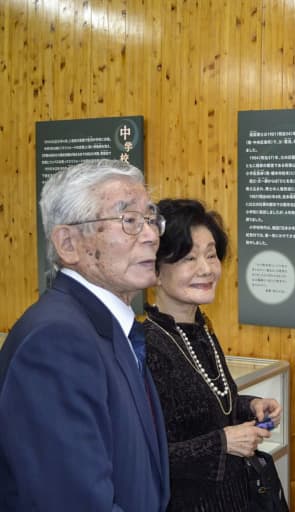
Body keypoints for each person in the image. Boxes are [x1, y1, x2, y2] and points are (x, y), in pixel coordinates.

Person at [0, 159, 170, 510]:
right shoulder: (57, 341)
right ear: (68, 243)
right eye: (129, 221)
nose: (152, 235)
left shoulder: (104, 325)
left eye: (151, 218)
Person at [143, 198, 284, 511]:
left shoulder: (201, 329)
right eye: (189, 258)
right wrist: (223, 443)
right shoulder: (147, 345)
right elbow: (143, 455)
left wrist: (252, 407)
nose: (206, 269)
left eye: (210, 255)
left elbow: (208, 409)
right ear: (155, 270)